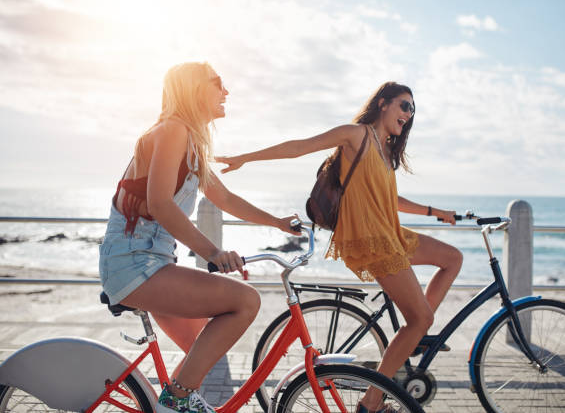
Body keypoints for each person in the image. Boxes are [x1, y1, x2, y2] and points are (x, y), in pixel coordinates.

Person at [216, 81, 463, 412]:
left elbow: (392, 199)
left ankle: (414, 334)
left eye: (413, 110)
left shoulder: (386, 149)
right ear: (384, 103)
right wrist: (245, 158)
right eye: (405, 105)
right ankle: (372, 402)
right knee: (420, 319)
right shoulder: (355, 135)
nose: (409, 114)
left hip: (392, 234)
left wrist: (435, 212)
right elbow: (300, 147)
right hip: (372, 241)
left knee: (452, 258)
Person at [98, 61, 299, 413]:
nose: (226, 91)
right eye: (218, 83)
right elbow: (160, 204)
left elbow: (225, 199)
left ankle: (172, 403)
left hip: (153, 263)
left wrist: (278, 222)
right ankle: (176, 400)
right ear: (194, 89)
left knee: (200, 357)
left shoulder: (190, 142)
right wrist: (213, 252)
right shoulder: (172, 130)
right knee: (246, 302)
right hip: (133, 264)